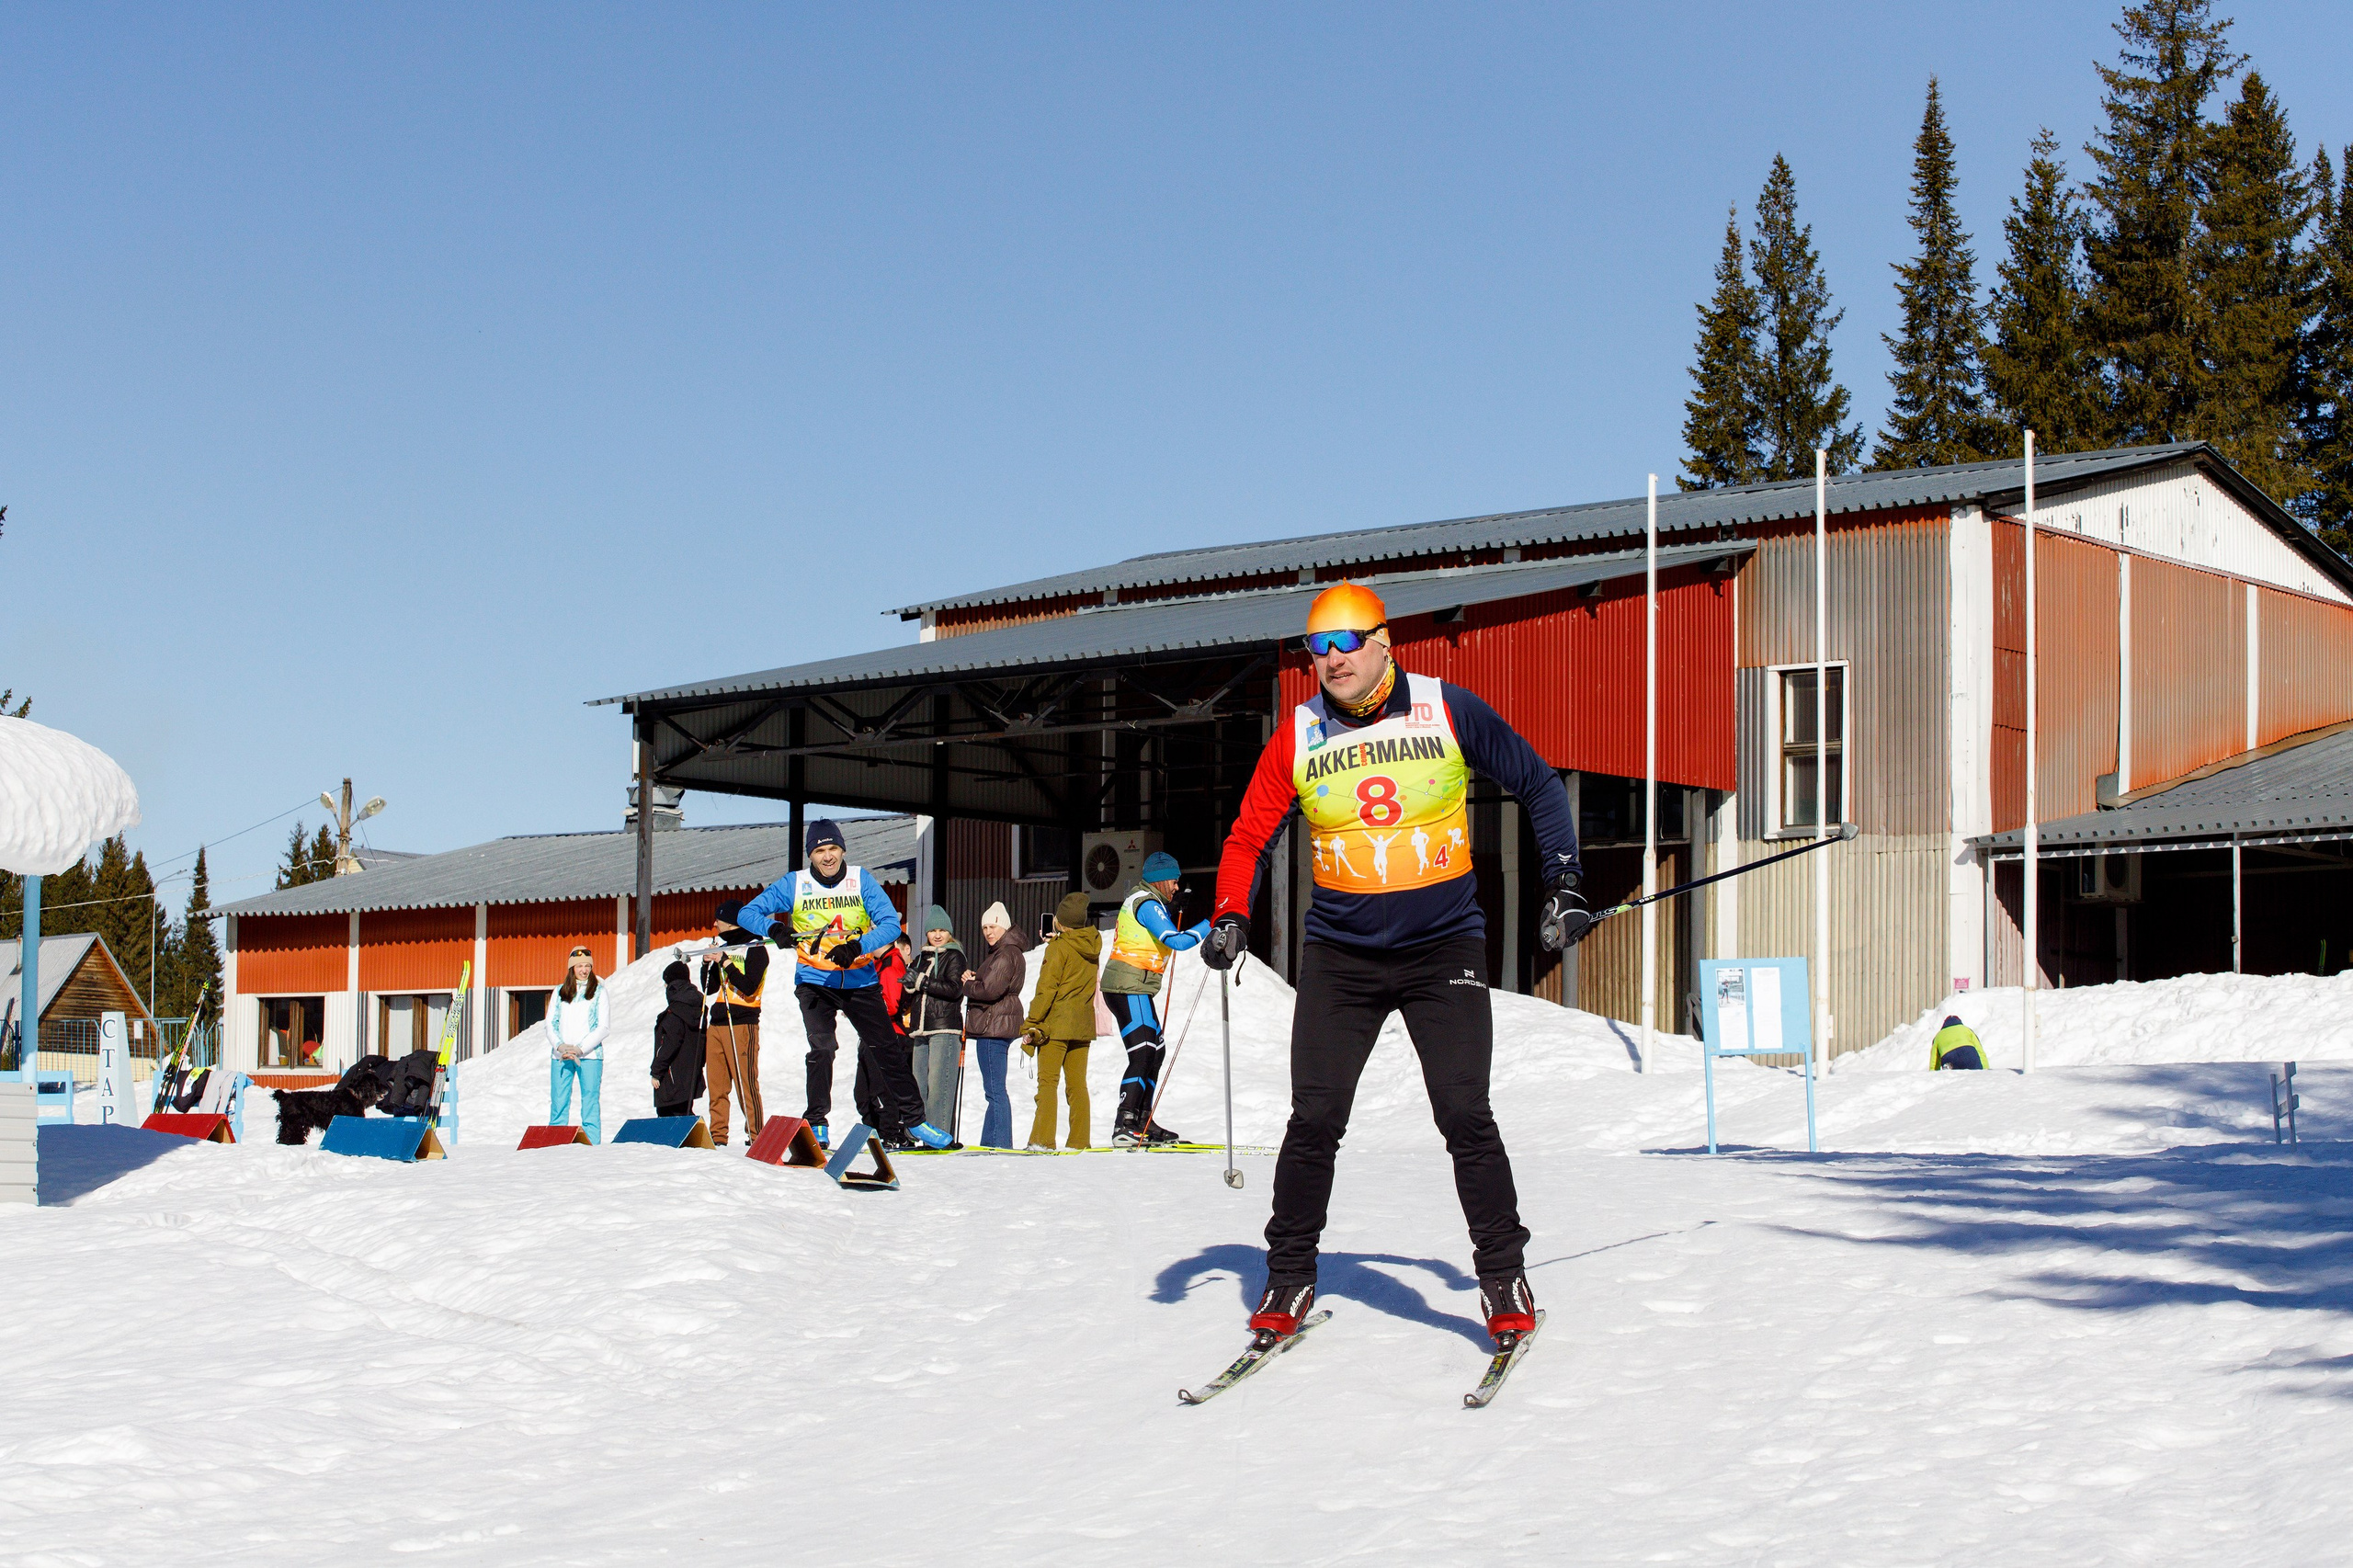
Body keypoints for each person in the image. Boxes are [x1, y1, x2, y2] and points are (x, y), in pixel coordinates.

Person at [1205, 580, 1588, 1352]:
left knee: (1463, 1116)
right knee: (1313, 1121)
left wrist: (1566, 881)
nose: (1333, 658)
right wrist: (1230, 914)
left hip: (1442, 947)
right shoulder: (1299, 733)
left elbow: (1538, 784)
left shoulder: (1447, 707)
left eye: (1348, 641)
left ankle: (1502, 1277)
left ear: (1385, 643)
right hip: (1341, 958)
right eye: (1317, 645)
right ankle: (1289, 1277)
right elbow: (1249, 837)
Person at [734, 819, 949, 1151]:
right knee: (823, 1048)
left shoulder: (859, 880)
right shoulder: (795, 884)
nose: (828, 857)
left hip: (859, 979)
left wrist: (858, 947)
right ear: (811, 855)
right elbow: (747, 913)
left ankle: (916, 1122)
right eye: (820, 851)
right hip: (815, 980)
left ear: (843, 849)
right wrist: (773, 929)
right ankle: (817, 1121)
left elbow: (891, 924)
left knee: (887, 1048)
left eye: (833, 848)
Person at [1101, 850, 1211, 1145]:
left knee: (1156, 1051)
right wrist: (1210, 924)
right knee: (1144, 1052)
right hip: (1127, 985)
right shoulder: (1147, 904)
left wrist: (1173, 908)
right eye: (1173, 881)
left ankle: (1142, 1119)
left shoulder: (1150, 901)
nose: (1176, 887)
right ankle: (1125, 1121)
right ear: (1161, 881)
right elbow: (1175, 941)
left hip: (1134, 985)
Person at [1020, 890, 1103, 1150]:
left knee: (1048, 1083)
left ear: (1061, 921)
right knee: (1078, 1085)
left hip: (1056, 1024)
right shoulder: (1092, 945)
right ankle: (1079, 1140)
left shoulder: (1058, 949)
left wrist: (1031, 1022)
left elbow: (1047, 990)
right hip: (1083, 1024)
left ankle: (1042, 1140)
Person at [698, 903, 769, 1145]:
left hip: (742, 1022)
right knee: (717, 1085)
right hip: (717, 1021)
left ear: (731, 922)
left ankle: (756, 1135)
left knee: (745, 1082)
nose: (715, 924)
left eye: (718, 919)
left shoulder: (755, 947)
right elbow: (710, 988)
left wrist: (726, 961)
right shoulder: (724, 947)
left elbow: (749, 985)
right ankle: (718, 1136)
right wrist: (707, 963)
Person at [960, 902, 1030, 1149]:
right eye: (985, 927)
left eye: (993, 926)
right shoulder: (1007, 952)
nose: (988, 932)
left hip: (994, 1024)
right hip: (998, 1023)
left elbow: (990, 990)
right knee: (994, 1089)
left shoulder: (1006, 953)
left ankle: (1000, 1143)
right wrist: (977, 979)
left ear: (1004, 926)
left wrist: (968, 984)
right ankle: (990, 1141)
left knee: (995, 1090)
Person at [903, 905, 971, 1139]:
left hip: (944, 1028)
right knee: (918, 1086)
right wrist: (909, 983)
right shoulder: (922, 957)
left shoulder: (955, 955)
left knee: (939, 1086)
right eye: (933, 930)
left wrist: (921, 981)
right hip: (920, 1031)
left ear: (950, 933)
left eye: (942, 930)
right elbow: (913, 988)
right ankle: (919, 1134)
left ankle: (938, 1136)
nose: (938, 935)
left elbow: (954, 989)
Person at [548, 946, 609, 1143]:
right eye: (579, 966)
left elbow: (603, 1027)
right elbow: (550, 1023)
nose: (584, 970)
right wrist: (561, 1046)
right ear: (571, 968)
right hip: (562, 1055)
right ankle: (556, 1142)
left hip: (589, 1056)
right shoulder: (559, 991)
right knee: (559, 1102)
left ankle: (591, 1143)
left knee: (590, 1101)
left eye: (587, 966)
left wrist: (580, 1048)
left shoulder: (599, 992)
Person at [650, 960, 707, 1119]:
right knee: (684, 1114)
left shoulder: (674, 1012)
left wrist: (656, 1071)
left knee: (668, 1117)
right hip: (690, 1076)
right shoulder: (699, 1007)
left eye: (666, 983)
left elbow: (669, 1044)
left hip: (671, 1079)